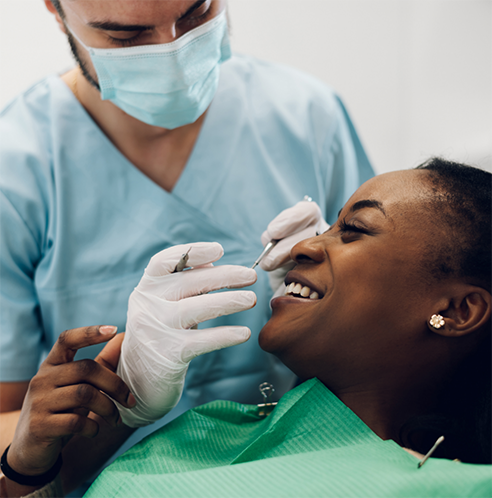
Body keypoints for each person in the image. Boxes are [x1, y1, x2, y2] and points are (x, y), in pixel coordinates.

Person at [0, 0, 374, 491]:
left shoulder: (307, 116)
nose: (173, 52)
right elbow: (13, 427)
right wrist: (114, 400)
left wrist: (337, 308)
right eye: (125, 37)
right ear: (55, 9)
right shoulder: (17, 170)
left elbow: (395, 349)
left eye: (196, 13)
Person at [3, 158, 492, 497]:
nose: (303, 246)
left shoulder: (454, 488)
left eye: (354, 230)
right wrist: (28, 467)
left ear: (457, 311)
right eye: (327, 227)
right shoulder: (208, 429)